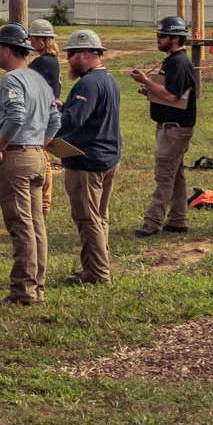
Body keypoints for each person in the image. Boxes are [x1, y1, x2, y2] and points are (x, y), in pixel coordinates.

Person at [0, 23, 62, 306]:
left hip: (16, 157)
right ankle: (37, 286)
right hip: (37, 157)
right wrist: (40, 144)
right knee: (36, 224)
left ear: (7, 50)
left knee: (21, 226)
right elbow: (55, 119)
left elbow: (16, 116)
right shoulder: (39, 80)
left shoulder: (12, 80)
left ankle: (23, 290)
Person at [53, 30, 122, 287]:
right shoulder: (107, 79)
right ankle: (94, 269)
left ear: (85, 54)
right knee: (99, 217)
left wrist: (49, 129)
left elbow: (73, 122)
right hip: (106, 157)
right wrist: (64, 107)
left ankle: (98, 274)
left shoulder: (88, 84)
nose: (69, 60)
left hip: (87, 162)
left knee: (88, 219)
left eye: (71, 55)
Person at [129, 15, 199, 237]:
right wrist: (150, 91)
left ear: (175, 38)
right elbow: (173, 95)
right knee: (175, 175)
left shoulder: (178, 62)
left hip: (175, 129)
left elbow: (171, 95)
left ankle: (151, 223)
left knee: (164, 176)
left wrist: (146, 81)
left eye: (162, 36)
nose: (158, 39)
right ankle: (178, 220)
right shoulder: (172, 61)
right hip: (170, 126)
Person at [27, 19, 62, 214]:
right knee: (44, 156)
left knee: (43, 157)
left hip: (44, 114)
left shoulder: (43, 62)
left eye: (33, 38)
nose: (31, 41)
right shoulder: (51, 60)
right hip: (49, 111)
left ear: (42, 40)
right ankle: (44, 202)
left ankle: (44, 202)